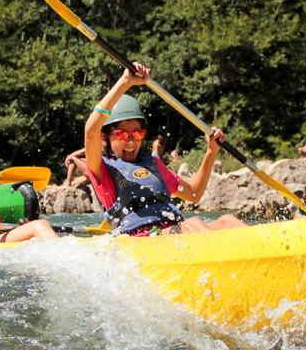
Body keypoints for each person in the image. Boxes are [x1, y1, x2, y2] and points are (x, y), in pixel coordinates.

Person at [84, 63, 246, 235]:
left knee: (228, 221)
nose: (131, 141)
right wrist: (125, 82)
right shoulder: (102, 171)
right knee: (193, 224)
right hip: (140, 242)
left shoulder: (153, 165)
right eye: (122, 135)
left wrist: (211, 151)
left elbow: (193, 193)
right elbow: (90, 130)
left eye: (138, 133)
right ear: (105, 138)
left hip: (171, 235)